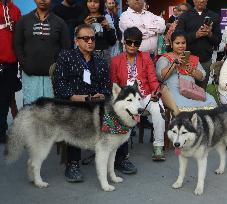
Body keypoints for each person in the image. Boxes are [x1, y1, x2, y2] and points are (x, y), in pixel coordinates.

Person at [53, 24, 111, 182]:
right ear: (76, 41)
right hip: (72, 103)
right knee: (77, 118)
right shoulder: (66, 56)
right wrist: (82, 98)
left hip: (95, 104)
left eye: (93, 38)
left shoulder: (100, 61)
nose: (90, 42)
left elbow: (107, 88)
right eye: (85, 38)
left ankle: (119, 158)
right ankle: (72, 164)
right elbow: (60, 87)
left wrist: (101, 95)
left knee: (117, 113)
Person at [110, 27, 167, 161]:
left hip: (144, 95)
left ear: (140, 44)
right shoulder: (115, 61)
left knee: (158, 108)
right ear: (124, 42)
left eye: (136, 43)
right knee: (118, 110)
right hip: (126, 99)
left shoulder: (146, 57)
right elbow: (114, 84)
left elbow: (152, 79)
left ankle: (158, 146)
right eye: (129, 42)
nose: (132, 46)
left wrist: (156, 93)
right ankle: (121, 150)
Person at [13, 0, 70, 105]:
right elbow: (18, 44)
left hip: (52, 78)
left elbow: (66, 48)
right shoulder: (23, 21)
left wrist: (57, 67)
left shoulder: (60, 22)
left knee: (51, 112)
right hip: (30, 76)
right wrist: (24, 63)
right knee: (31, 112)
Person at [156, 31, 217, 111]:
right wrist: (174, 63)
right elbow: (161, 77)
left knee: (210, 101)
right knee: (182, 105)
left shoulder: (192, 58)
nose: (181, 46)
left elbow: (202, 77)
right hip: (173, 89)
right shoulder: (165, 58)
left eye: (183, 43)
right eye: (177, 43)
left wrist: (192, 70)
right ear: (171, 44)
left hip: (192, 90)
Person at [175, 0, 222, 90]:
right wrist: (195, 35)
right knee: (185, 90)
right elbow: (177, 39)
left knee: (201, 91)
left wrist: (209, 34)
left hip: (205, 61)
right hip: (187, 60)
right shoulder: (185, 16)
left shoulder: (214, 16)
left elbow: (218, 41)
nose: (201, 1)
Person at [0, 0, 21, 144]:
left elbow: (19, 38)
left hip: (10, 62)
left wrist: (20, 60)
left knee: (6, 99)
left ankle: (2, 132)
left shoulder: (16, 10)